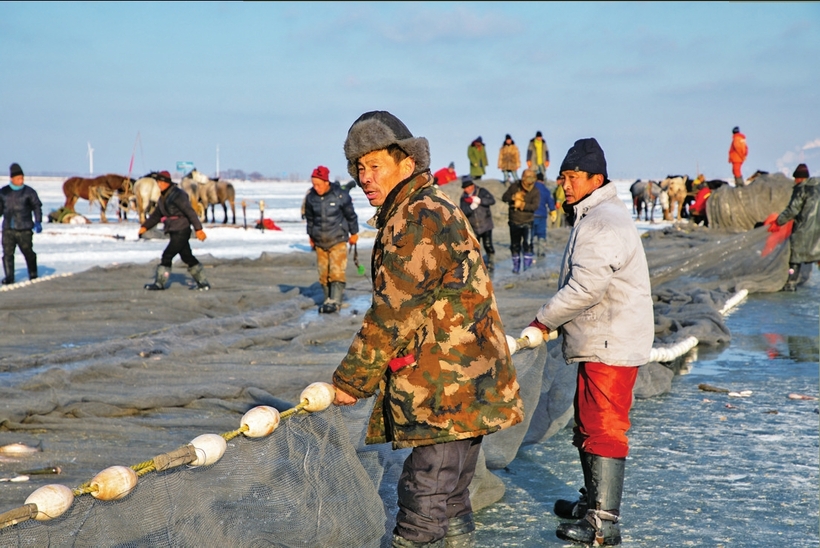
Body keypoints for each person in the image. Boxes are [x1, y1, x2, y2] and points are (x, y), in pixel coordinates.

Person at [331, 110, 523, 548]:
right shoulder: (422, 207)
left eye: (374, 166)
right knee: (451, 495)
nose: (364, 177)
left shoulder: (418, 217)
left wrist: (351, 380)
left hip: (447, 387)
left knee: (426, 500)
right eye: (358, 168)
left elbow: (393, 311)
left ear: (406, 162)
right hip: (462, 385)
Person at [526, 138, 653, 546]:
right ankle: (592, 501)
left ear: (596, 179)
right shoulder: (598, 214)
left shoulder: (600, 222)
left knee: (603, 427)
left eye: (573, 177)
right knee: (587, 422)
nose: (565, 184)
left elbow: (585, 288)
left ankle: (603, 523)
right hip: (602, 339)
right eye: (562, 177)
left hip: (610, 341)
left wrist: (543, 321)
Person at [138, 170, 210, 291]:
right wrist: (145, 226)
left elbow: (190, 212)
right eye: (157, 182)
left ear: (167, 183)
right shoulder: (162, 198)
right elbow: (156, 215)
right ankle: (203, 283)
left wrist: (198, 229)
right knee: (187, 257)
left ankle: (159, 283)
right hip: (173, 230)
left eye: (161, 182)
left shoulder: (178, 195)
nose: (159, 184)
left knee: (167, 255)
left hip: (182, 230)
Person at [304, 165, 359, 313]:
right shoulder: (311, 198)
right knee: (323, 274)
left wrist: (354, 233)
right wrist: (310, 235)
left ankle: (335, 302)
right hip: (320, 241)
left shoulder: (340, 196)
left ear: (326, 182)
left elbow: (351, 216)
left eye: (319, 184)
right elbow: (310, 219)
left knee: (336, 272)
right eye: (314, 184)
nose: (316, 188)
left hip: (338, 239)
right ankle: (327, 299)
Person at [769, 163, 820, 292]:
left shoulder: (801, 189)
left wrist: (778, 222)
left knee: (794, 259)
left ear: (799, 178)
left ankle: (790, 283)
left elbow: (792, 210)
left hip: (804, 229)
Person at [0, 163, 42, 284]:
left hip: (24, 228)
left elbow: (37, 206)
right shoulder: (3, 192)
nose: (21, 180)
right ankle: (9, 277)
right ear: (12, 178)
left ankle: (33, 274)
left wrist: (38, 221)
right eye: (18, 178)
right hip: (8, 228)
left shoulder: (29, 192)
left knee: (28, 252)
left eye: (22, 178)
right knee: (7, 254)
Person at [501, 168, 540, 273]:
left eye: (532, 178)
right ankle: (516, 268)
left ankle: (527, 268)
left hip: (528, 221)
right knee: (514, 245)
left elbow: (535, 206)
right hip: (514, 221)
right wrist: (513, 197)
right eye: (528, 178)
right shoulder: (514, 186)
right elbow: (504, 197)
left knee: (528, 244)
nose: (530, 181)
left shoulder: (535, 191)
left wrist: (523, 205)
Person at [459, 174, 496, 270]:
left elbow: (492, 200)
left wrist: (481, 201)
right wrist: (471, 208)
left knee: (488, 245)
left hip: (486, 224)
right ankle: (477, 265)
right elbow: (463, 212)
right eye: (465, 187)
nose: (467, 189)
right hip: (474, 227)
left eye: (468, 186)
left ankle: (491, 263)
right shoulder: (463, 198)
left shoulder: (481, 191)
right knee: (475, 248)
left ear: (472, 185)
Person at [532, 172, 557, 259]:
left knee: (530, 235)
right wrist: (553, 212)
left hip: (531, 215)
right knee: (541, 235)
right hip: (542, 215)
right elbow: (550, 202)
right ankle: (541, 254)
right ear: (543, 180)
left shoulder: (531, 188)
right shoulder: (546, 190)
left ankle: (529, 253)